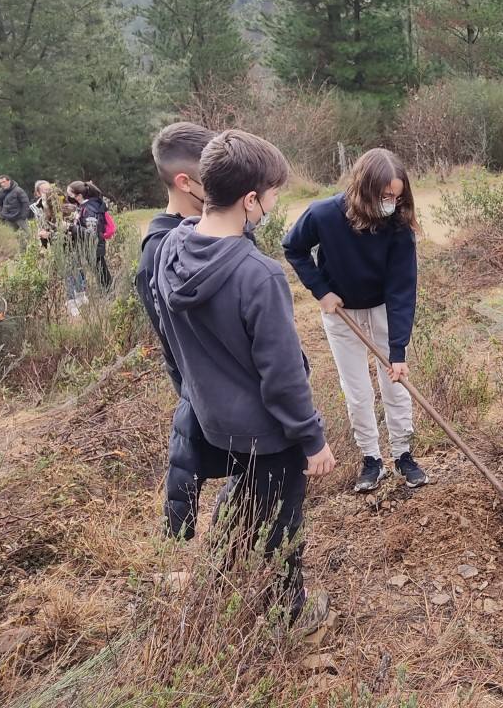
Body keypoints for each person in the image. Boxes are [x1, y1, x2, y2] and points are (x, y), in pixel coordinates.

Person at [152, 129, 335, 631]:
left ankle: (224, 583)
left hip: (214, 422)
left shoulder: (170, 247)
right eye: (273, 195)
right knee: (281, 525)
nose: (274, 205)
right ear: (250, 199)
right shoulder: (259, 275)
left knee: (242, 502)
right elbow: (281, 378)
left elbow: (170, 338)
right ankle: (287, 614)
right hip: (269, 434)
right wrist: (312, 439)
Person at [284, 148, 426, 493]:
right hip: (341, 313)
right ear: (364, 189)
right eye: (384, 196)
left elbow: (402, 289)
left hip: (382, 310)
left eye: (397, 196)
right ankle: (371, 459)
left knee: (395, 383)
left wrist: (398, 350)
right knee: (357, 390)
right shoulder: (323, 214)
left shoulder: (397, 228)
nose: (391, 203)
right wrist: (321, 291)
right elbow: (294, 247)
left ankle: (403, 454)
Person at [134, 122, 232, 540]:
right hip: (216, 395)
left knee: (253, 489)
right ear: (185, 181)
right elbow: (175, 348)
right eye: (213, 178)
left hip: (250, 395)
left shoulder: (222, 229)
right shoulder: (159, 252)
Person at [67, 181, 112, 288]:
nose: (68, 196)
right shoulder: (84, 207)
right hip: (91, 247)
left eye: (70, 194)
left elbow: (91, 234)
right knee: (100, 272)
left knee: (102, 274)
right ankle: (108, 292)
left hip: (94, 247)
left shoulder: (89, 210)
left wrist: (71, 227)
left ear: (78, 196)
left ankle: (108, 294)